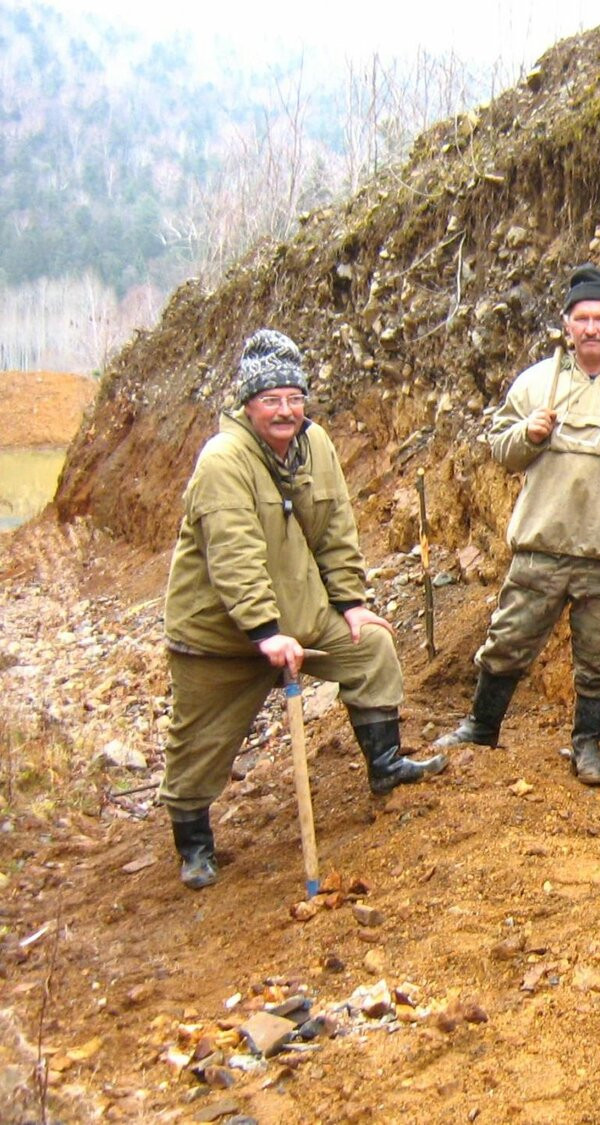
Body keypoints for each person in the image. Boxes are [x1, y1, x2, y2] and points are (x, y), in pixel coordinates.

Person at [158, 329, 446, 890]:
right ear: (247, 403)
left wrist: (351, 603)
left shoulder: (316, 447)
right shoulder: (224, 460)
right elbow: (233, 555)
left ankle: (386, 766)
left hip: (302, 613)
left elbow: (336, 531)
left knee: (373, 650)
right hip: (218, 632)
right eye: (272, 400)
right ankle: (194, 844)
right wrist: (265, 632)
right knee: (197, 742)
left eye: (294, 397)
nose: (286, 410)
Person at [434, 265, 600, 786]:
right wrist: (529, 432)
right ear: (566, 326)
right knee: (508, 640)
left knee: (599, 658)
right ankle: (481, 725)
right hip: (541, 548)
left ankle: (587, 744)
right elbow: (501, 451)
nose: (591, 328)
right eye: (581, 319)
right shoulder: (535, 384)